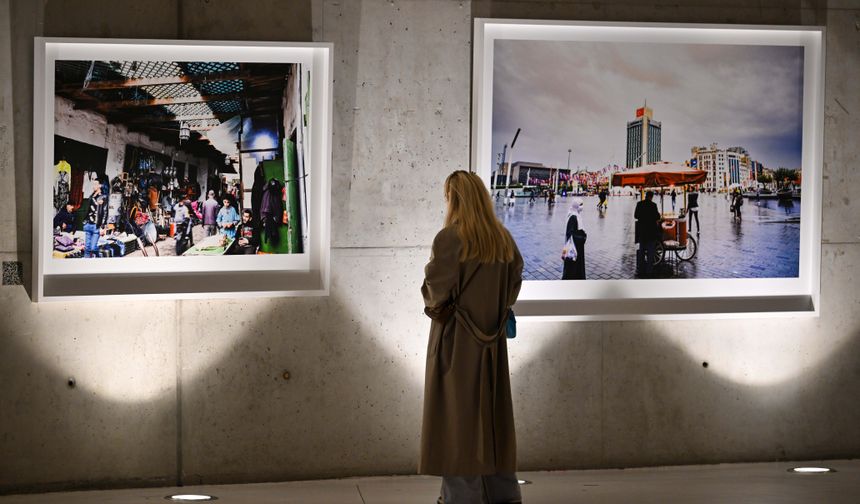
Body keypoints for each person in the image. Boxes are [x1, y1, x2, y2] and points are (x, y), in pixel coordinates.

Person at [420, 170, 523, 504]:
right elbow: (514, 285)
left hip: (457, 347)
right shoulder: (503, 238)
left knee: (458, 426)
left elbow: (436, 291)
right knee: (493, 425)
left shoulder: (450, 239)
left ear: (455, 199)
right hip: (492, 347)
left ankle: (459, 499)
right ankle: (503, 496)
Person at [634, 190, 661, 278]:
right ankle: (649, 270)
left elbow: (636, 215)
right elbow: (657, 217)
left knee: (641, 251)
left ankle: (641, 270)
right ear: (651, 197)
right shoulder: (653, 205)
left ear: (646, 196)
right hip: (651, 232)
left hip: (642, 232)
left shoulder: (639, 204)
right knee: (650, 252)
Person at [562, 199, 586, 280]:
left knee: (576, 266)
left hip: (577, 246)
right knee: (573, 268)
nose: (582, 206)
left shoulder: (576, 215)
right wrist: (582, 237)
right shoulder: (573, 217)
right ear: (576, 205)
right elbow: (570, 233)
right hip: (574, 247)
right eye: (580, 204)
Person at [83, 187, 107, 258]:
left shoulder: (104, 197)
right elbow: (87, 210)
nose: (93, 186)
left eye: (96, 184)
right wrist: (85, 222)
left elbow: (105, 213)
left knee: (92, 248)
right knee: (87, 248)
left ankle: (99, 255)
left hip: (96, 226)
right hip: (88, 224)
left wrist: (102, 227)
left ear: (100, 186)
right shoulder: (91, 197)